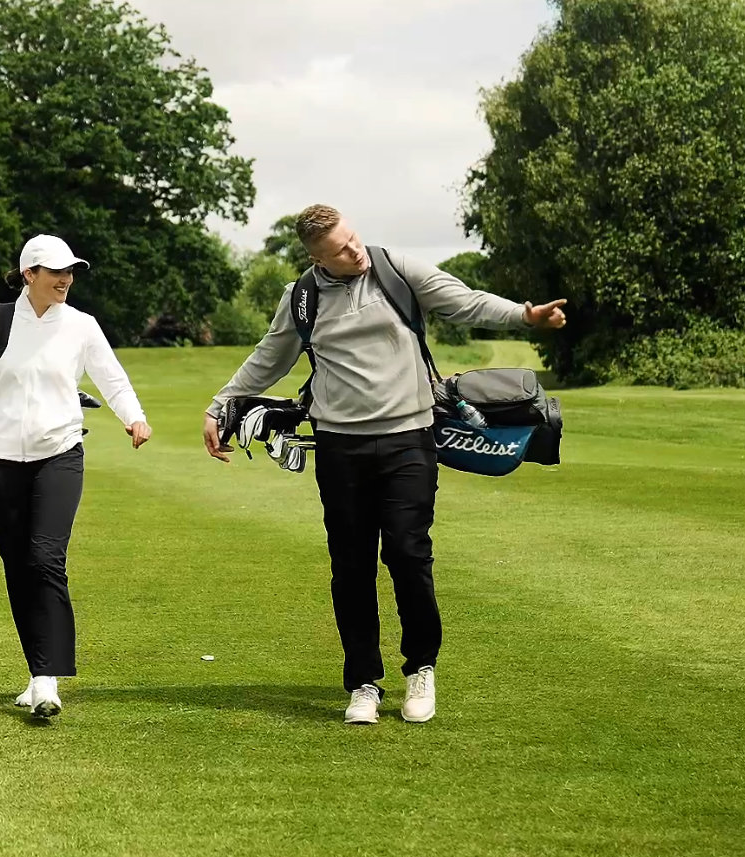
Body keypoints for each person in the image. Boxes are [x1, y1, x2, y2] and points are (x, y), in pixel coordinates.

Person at [202, 204, 566, 726]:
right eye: (340, 251)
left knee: (407, 552)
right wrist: (221, 405)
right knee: (350, 567)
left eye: (354, 239)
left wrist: (525, 316)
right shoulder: (301, 298)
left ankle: (420, 668)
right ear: (315, 258)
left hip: (408, 441)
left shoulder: (395, 269)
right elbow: (270, 357)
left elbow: (465, 303)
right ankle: (364, 684)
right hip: (339, 449)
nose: (355, 252)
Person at [0, 234, 153, 718]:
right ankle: (37, 673)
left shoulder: (81, 326)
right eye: (56, 272)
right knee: (18, 568)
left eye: (71, 272)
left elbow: (111, 376)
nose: (66, 279)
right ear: (30, 275)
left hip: (59, 454)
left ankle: (49, 680)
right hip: (0, 459)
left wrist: (134, 415)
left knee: (45, 559)